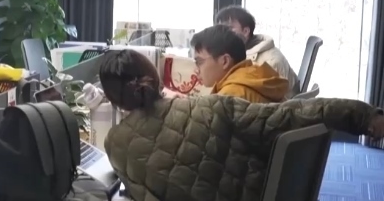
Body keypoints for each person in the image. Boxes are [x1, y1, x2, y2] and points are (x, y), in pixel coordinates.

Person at [99, 49, 384, 201]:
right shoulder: (213, 106)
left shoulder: (115, 145)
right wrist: (365, 116)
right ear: (154, 76)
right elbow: (293, 115)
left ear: (113, 99)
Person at [215, 5, 300, 97]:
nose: (222, 33)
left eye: (228, 28)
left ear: (245, 31)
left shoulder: (269, 62)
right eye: (219, 29)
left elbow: (266, 101)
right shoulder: (239, 53)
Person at [191, 24, 289, 103]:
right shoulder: (253, 77)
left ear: (225, 61)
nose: (196, 69)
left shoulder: (230, 96)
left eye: (199, 62)